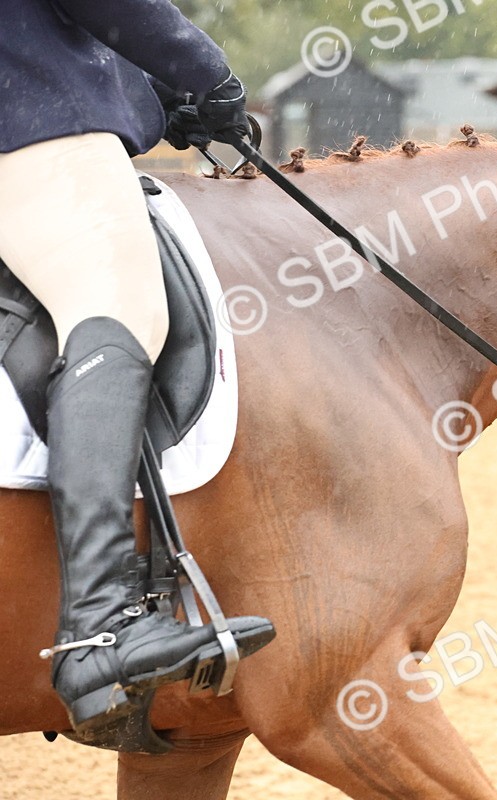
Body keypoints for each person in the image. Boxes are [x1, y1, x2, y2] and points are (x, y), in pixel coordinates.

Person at [0, 0, 274, 739]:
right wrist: (206, 73)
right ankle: (98, 628)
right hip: (19, 115)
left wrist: (151, 98)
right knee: (117, 306)